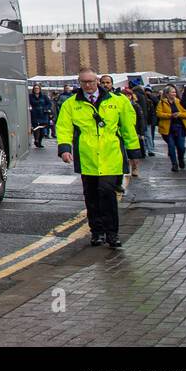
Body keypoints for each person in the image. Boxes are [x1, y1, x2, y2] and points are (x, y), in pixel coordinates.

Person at [56, 67, 142, 248]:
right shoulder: (70, 104)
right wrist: (64, 149)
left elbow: (128, 128)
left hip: (111, 156)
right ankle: (97, 232)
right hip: (87, 158)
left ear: (97, 81)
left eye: (91, 81)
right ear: (79, 83)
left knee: (107, 193)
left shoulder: (118, 102)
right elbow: (63, 128)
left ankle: (112, 234)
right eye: (84, 82)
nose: (88, 85)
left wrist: (134, 152)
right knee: (92, 196)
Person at [156, 85, 186, 172]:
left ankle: (181, 159)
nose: (174, 94)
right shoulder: (162, 103)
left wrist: (179, 114)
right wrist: (170, 115)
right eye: (172, 92)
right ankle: (174, 164)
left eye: (175, 92)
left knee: (181, 147)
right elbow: (159, 114)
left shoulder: (180, 102)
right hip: (168, 128)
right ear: (167, 94)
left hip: (180, 127)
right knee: (171, 146)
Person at [28, 84, 51, 148]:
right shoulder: (30, 96)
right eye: (35, 88)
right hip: (35, 114)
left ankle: (40, 141)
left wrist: (46, 108)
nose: (36, 89)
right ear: (33, 89)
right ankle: (36, 141)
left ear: (40, 89)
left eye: (37, 88)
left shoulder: (44, 96)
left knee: (42, 130)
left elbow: (49, 104)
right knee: (36, 128)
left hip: (43, 115)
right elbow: (27, 103)